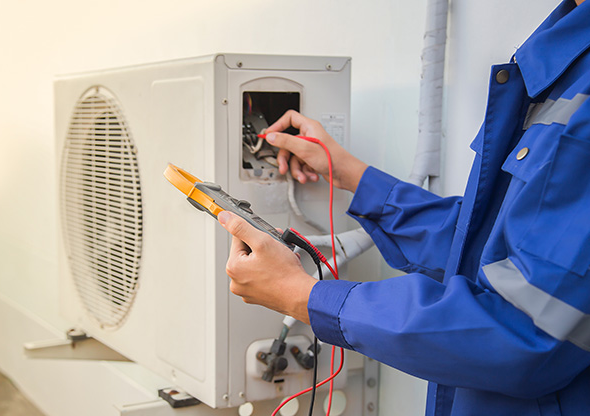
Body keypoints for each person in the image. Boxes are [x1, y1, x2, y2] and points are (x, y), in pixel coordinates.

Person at [218, 0, 590, 415]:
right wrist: (351, 176)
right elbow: (486, 244)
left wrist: (304, 296)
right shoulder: (562, 56)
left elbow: (523, 332)